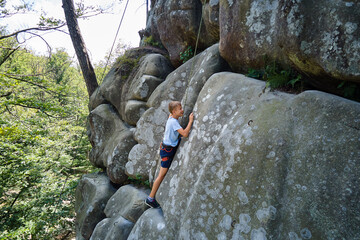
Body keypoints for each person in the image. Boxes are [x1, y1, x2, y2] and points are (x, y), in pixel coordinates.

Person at [145, 101, 194, 208]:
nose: (182, 110)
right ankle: (150, 198)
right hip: (167, 150)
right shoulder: (174, 122)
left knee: (162, 174)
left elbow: (170, 116)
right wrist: (190, 121)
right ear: (174, 111)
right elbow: (185, 134)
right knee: (161, 175)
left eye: (181, 107)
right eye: (179, 109)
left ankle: (150, 197)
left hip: (167, 147)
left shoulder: (171, 118)